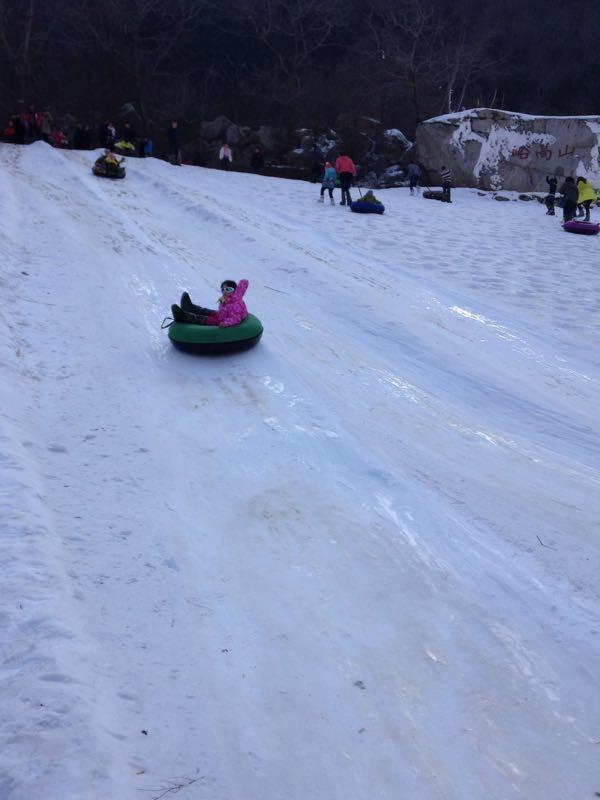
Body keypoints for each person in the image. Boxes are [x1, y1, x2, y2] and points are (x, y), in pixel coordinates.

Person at [171, 280, 249, 327]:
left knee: (205, 319)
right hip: (222, 316)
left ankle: (184, 316)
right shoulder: (226, 299)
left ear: (235, 291)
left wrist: (226, 323)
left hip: (223, 322)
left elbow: (236, 318)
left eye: (228, 289)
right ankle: (190, 308)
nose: (224, 291)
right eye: (223, 289)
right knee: (209, 312)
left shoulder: (235, 304)